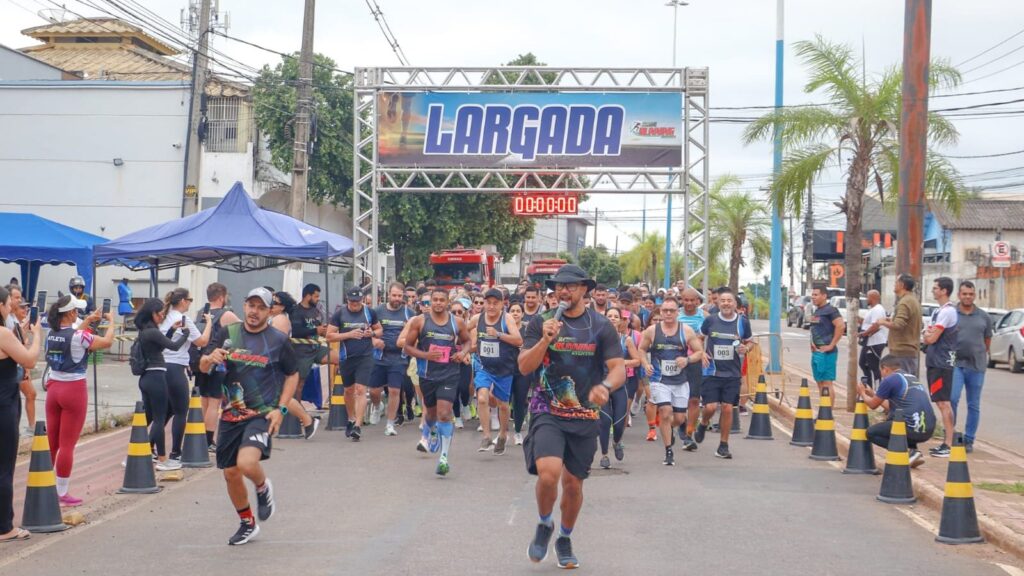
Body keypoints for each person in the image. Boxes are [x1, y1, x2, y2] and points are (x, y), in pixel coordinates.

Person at [520, 265, 625, 569]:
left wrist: (605, 386)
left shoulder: (601, 326)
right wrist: (544, 340)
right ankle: (544, 523)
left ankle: (565, 537)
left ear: (584, 289)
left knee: (573, 485)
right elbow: (525, 367)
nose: (563, 291)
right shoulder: (541, 322)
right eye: (558, 286)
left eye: (570, 286)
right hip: (547, 409)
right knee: (548, 473)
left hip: (584, 414)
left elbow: (617, 366)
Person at [199, 287, 299, 546]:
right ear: (244, 306)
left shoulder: (278, 340)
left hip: (261, 414)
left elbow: (292, 374)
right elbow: (202, 365)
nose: (254, 312)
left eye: (261, 307)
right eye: (251, 305)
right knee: (231, 473)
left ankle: (263, 487)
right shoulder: (229, 333)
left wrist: (282, 409)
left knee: (246, 463)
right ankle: (247, 523)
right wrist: (210, 358)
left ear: (269, 311)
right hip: (231, 413)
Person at [43, 295, 115, 505]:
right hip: (73, 389)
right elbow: (107, 342)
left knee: (52, 443)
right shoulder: (80, 336)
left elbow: (73, 334)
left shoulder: (52, 333)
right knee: (67, 445)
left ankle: (44, 486)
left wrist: (89, 320)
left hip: (53, 389)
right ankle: (62, 492)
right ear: (72, 313)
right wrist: (110, 322)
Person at [401, 288, 472, 476]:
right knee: (431, 413)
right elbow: (407, 347)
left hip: (449, 374)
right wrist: (426, 355)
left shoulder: (456, 322)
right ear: (430, 302)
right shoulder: (420, 321)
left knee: (444, 413)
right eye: (435, 300)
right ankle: (429, 432)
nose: (438, 303)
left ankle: (444, 457)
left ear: (448, 302)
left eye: (442, 300)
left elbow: (468, 342)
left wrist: (462, 353)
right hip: (427, 374)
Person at [639, 296, 704, 466]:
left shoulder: (687, 330)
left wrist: (687, 360)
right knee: (666, 411)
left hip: (680, 381)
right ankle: (669, 451)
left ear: (677, 312)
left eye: (672, 310)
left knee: (680, 418)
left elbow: (699, 352)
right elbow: (641, 349)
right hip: (659, 380)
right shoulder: (652, 331)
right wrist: (645, 363)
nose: (668, 313)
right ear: (661, 312)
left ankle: (671, 430)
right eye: (665, 310)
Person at [0, 286, 42, 542]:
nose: (10, 308)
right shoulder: (3, 332)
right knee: (4, 467)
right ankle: (5, 527)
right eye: (7, 304)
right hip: (4, 405)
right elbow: (29, 360)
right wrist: (37, 335)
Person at [694, 288, 753, 459]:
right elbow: (699, 338)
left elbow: (750, 342)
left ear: (735, 304)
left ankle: (723, 445)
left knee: (727, 409)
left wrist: (745, 348)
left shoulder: (742, 322)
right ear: (718, 303)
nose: (726, 303)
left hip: (732, 373)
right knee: (711, 407)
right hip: (711, 371)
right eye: (723, 300)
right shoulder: (710, 320)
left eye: (730, 301)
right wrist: (702, 353)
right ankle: (704, 423)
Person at [134, 298, 191, 470]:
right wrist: (185, 335)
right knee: (159, 419)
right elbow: (173, 347)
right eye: (160, 314)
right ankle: (153, 456)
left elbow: (160, 347)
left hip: (146, 378)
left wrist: (171, 331)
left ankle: (149, 453)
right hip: (156, 376)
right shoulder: (152, 331)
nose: (162, 317)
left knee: (152, 416)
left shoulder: (146, 331)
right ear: (153, 313)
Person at [159, 288, 212, 463]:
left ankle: (151, 445)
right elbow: (202, 341)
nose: (190, 303)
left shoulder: (164, 316)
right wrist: (209, 322)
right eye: (189, 300)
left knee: (166, 410)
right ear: (182, 301)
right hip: (175, 366)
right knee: (181, 410)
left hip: (160, 367)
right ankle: (175, 452)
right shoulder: (183, 319)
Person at [468, 288, 522, 455]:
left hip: (504, 369)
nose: (491, 307)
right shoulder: (478, 318)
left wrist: (498, 334)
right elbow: (462, 329)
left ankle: (503, 435)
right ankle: (486, 436)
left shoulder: (507, 319)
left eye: (495, 303)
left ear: (502, 304)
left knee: (503, 405)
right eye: (488, 303)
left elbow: (519, 340)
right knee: (482, 398)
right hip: (485, 367)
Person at [857, 355, 936, 468]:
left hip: (912, 428)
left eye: (881, 371)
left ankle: (906, 452)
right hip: (928, 429)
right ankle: (914, 452)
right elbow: (890, 406)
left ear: (885, 368)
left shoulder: (890, 379)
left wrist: (862, 393)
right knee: (898, 417)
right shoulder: (911, 378)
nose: (882, 375)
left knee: (871, 433)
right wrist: (873, 394)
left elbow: (872, 405)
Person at [327, 286, 383, 441]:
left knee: (360, 389)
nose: (355, 305)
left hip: (365, 356)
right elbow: (329, 336)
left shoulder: (369, 312)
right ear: (347, 300)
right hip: (346, 357)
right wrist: (348, 334)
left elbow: (379, 330)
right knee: (348, 391)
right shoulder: (340, 314)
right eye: (352, 302)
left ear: (362, 300)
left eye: (357, 302)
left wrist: (371, 333)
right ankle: (351, 419)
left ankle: (358, 426)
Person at [194, 283, 240, 451]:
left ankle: (199, 437)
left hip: (201, 361)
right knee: (214, 403)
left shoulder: (201, 312)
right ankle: (207, 441)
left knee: (204, 401)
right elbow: (243, 330)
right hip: (218, 361)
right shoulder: (226, 314)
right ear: (221, 296)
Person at [287, 284, 338, 437]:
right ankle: (298, 415)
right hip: (301, 352)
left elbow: (318, 328)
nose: (317, 299)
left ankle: (338, 396)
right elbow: (296, 331)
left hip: (316, 348)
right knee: (298, 384)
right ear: (307, 295)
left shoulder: (316, 310)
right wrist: (315, 330)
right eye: (315, 296)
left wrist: (323, 329)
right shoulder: (296, 311)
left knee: (340, 358)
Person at [951, 281, 992, 454]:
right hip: (955, 364)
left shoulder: (984, 317)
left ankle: (969, 439)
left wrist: (978, 353)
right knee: (952, 398)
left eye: (971, 294)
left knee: (973, 404)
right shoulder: (952, 314)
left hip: (976, 366)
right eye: (964, 293)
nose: (967, 296)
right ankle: (950, 434)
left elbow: (987, 341)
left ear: (974, 295)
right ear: (959, 295)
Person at [598, 307, 640, 469]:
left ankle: (616, 442)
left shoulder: (626, 340)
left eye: (616, 316)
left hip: (620, 384)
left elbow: (637, 360)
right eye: (609, 316)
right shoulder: (596, 339)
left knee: (619, 421)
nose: (613, 318)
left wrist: (620, 363)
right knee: (605, 419)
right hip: (602, 384)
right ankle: (604, 455)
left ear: (621, 320)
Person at [372, 282, 415, 436]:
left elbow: (416, 332)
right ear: (388, 295)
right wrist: (374, 341)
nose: (397, 298)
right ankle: (377, 407)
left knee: (394, 390)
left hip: (399, 357)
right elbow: (369, 330)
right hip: (380, 356)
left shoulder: (409, 313)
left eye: (399, 296)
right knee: (374, 391)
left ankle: (390, 424)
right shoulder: (377, 311)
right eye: (394, 295)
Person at [923, 277, 958, 458]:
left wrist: (928, 335)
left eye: (936, 288)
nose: (934, 291)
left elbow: (931, 338)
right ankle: (947, 442)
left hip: (942, 362)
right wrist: (928, 335)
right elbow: (926, 334)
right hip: (934, 360)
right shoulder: (938, 311)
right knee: (939, 401)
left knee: (944, 402)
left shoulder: (948, 312)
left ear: (944, 290)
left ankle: (948, 442)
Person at [875, 274, 922, 377]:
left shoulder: (905, 302)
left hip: (902, 351)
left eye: (896, 282)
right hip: (909, 351)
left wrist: (882, 322)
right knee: (908, 382)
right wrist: (890, 320)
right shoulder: (912, 300)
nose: (894, 285)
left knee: (903, 384)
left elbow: (898, 325)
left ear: (901, 285)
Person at [676, 287, 706, 450]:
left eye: (692, 300)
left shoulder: (705, 317)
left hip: (695, 361)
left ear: (697, 301)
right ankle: (681, 422)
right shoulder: (675, 315)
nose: (688, 303)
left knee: (694, 399)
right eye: (685, 300)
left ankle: (689, 433)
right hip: (676, 361)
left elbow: (708, 337)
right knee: (678, 399)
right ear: (681, 300)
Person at [4, 285, 36, 436]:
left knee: (25, 396)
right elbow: (28, 358)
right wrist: (37, 336)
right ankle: (29, 427)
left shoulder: (12, 319)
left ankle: (28, 426)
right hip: (13, 367)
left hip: (16, 366)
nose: (18, 300)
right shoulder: (6, 323)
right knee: (28, 395)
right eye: (15, 297)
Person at [807, 285, 844, 402]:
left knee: (827, 383)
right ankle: (823, 411)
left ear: (824, 296)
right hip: (816, 353)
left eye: (816, 295)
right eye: (812, 295)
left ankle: (828, 414)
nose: (813, 297)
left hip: (827, 353)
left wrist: (831, 345)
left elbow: (841, 326)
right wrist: (812, 344)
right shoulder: (817, 311)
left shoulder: (831, 310)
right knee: (820, 383)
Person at [507, 300, 531, 446]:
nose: (515, 313)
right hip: (505, 370)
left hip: (523, 371)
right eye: (512, 311)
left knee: (519, 402)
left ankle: (517, 433)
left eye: (518, 311)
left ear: (522, 314)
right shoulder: (504, 328)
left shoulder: (528, 331)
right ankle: (503, 433)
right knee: (504, 402)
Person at [858, 290, 888, 388]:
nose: (867, 299)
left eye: (868, 297)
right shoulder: (872, 309)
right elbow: (868, 323)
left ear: (873, 297)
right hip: (868, 342)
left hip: (875, 342)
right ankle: (869, 386)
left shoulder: (878, 309)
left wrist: (864, 333)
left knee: (873, 365)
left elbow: (876, 325)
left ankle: (878, 388)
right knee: (863, 363)